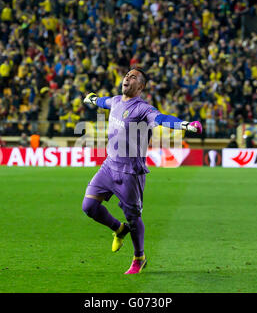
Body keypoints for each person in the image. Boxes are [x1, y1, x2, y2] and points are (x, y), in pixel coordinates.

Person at [81, 68, 202, 274]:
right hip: (109, 166)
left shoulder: (143, 109)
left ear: (141, 86)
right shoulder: (117, 101)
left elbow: (163, 118)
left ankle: (139, 257)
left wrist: (185, 125)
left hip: (130, 172)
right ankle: (119, 229)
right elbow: (103, 101)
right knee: (89, 206)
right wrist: (92, 100)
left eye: (133, 77)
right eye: (127, 75)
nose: (127, 78)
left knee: (134, 218)